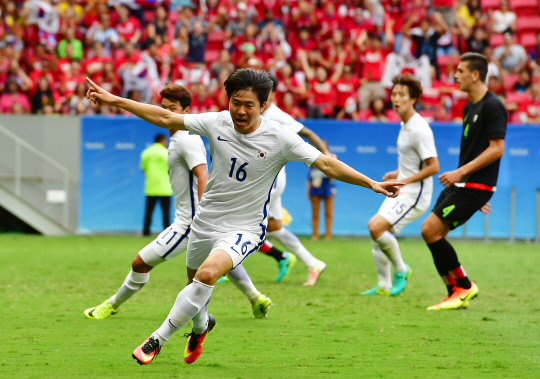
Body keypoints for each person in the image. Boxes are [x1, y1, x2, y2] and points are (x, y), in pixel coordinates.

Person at [86, 69, 403, 366]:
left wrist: (372, 183)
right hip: (205, 221)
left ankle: (157, 340)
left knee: (208, 275)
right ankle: (201, 327)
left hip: (245, 228)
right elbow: (166, 116)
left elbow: (328, 165)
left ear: (264, 104)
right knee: (195, 284)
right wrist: (114, 99)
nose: (240, 111)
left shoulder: (281, 138)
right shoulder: (217, 122)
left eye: (248, 105)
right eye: (235, 102)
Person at [84, 84, 272, 320]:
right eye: (163, 107)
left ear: (186, 110)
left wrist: (202, 219)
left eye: (172, 108)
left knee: (140, 263)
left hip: (188, 224)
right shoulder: (175, 139)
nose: (167, 113)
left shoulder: (186, 140)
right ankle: (255, 298)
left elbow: (203, 174)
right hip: (192, 221)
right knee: (219, 260)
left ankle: (112, 305)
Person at [421, 53, 506, 310]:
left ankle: (465, 286)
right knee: (434, 235)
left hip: (472, 185)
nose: (455, 75)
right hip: (467, 186)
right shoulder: (469, 107)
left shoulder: (493, 106)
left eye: (459, 71)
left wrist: (465, 178)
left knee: (429, 230)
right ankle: (453, 292)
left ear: (475, 74)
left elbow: (496, 149)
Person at [362, 74, 439, 296]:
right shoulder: (405, 124)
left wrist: (404, 179)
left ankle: (402, 270)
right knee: (377, 235)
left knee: (376, 227)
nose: (396, 99)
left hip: (415, 194)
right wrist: (397, 173)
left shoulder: (419, 128)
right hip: (403, 189)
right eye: (394, 94)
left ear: (413, 99)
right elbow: (412, 163)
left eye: (401, 95)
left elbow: (433, 166)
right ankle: (384, 285)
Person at [259, 75, 334, 285]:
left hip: (270, 181)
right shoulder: (255, 112)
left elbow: (308, 132)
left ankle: (224, 270)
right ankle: (313, 263)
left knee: (240, 224)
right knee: (274, 229)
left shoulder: (275, 114)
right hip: (268, 179)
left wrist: (326, 152)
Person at [140, 134, 173, 236]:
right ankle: (167, 233)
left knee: (149, 211)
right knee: (166, 212)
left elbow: (143, 168)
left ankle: (146, 232)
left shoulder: (146, 153)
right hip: (165, 187)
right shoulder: (167, 153)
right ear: (163, 141)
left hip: (151, 187)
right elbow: (171, 169)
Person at [308, 150, 336, 240]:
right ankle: (315, 234)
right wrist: (308, 191)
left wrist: (333, 162)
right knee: (315, 213)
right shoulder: (312, 160)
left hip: (328, 189)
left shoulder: (331, 159)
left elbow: (333, 176)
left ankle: (328, 235)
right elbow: (309, 178)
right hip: (315, 189)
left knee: (328, 213)